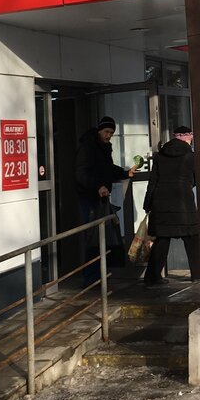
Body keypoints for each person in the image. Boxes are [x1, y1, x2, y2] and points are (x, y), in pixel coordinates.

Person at [75, 116, 135, 286]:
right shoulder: (88, 147)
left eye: (111, 133)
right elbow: (81, 174)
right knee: (93, 237)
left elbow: (107, 168)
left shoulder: (104, 148)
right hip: (90, 198)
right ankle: (91, 277)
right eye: (106, 131)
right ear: (100, 130)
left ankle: (97, 274)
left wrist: (125, 173)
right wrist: (98, 186)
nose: (109, 135)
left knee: (99, 237)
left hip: (100, 197)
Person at [142, 125, 199, 288]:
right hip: (183, 201)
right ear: (188, 138)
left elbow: (153, 181)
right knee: (192, 238)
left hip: (161, 202)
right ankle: (198, 275)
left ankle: (152, 278)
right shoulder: (191, 156)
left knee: (162, 238)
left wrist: (147, 204)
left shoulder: (160, 156)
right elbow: (196, 179)